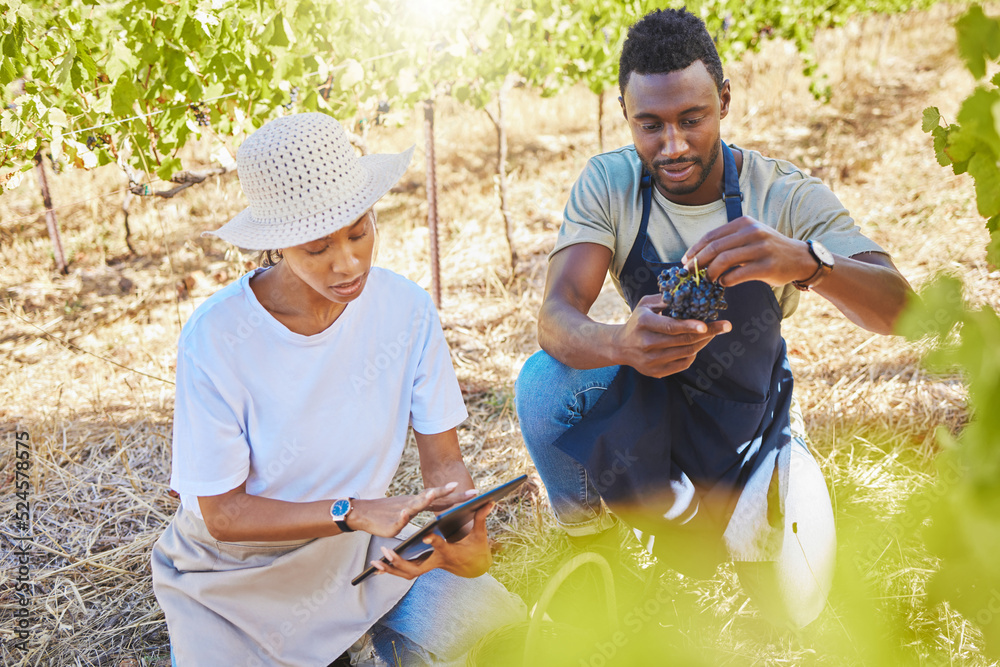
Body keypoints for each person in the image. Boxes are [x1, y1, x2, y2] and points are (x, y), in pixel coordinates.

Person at [515, 8, 913, 629]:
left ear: (724, 101)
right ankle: (595, 552)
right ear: (625, 113)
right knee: (544, 385)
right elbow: (555, 318)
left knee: (789, 609)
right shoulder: (610, 183)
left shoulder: (782, 194)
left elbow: (900, 310)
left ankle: (737, 494)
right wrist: (621, 342)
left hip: (752, 408)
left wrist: (804, 261)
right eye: (650, 125)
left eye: (691, 119)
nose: (672, 145)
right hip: (652, 391)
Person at [151, 112, 525, 667]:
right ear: (277, 244)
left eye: (359, 231)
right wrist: (352, 511)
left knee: (503, 634)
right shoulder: (217, 337)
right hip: (236, 579)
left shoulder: (406, 311)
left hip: (361, 558)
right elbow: (224, 516)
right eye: (318, 248)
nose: (348, 263)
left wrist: (459, 533)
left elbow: (443, 466)